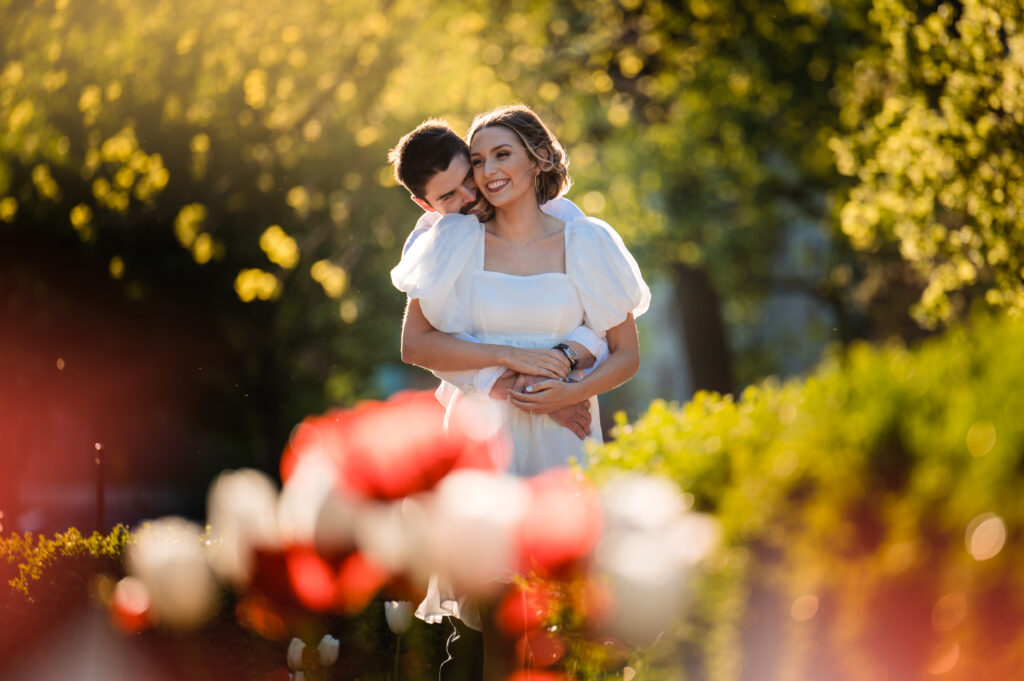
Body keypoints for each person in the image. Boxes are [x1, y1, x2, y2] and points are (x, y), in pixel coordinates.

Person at [390, 105, 650, 679]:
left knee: (565, 625)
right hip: (483, 437)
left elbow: (624, 350)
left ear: (537, 160)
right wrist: (506, 367)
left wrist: (564, 388)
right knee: (499, 624)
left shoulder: (585, 237)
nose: (484, 175)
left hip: (563, 437)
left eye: (499, 156)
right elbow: (419, 345)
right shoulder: (453, 238)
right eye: (478, 161)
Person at [387, 120, 607, 442]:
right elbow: (429, 344)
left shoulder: (561, 217)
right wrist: (529, 395)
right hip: (483, 422)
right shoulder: (432, 244)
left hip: (568, 403)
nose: (470, 196)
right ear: (425, 205)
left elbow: (602, 322)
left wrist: (557, 373)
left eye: (468, 178)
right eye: (449, 196)